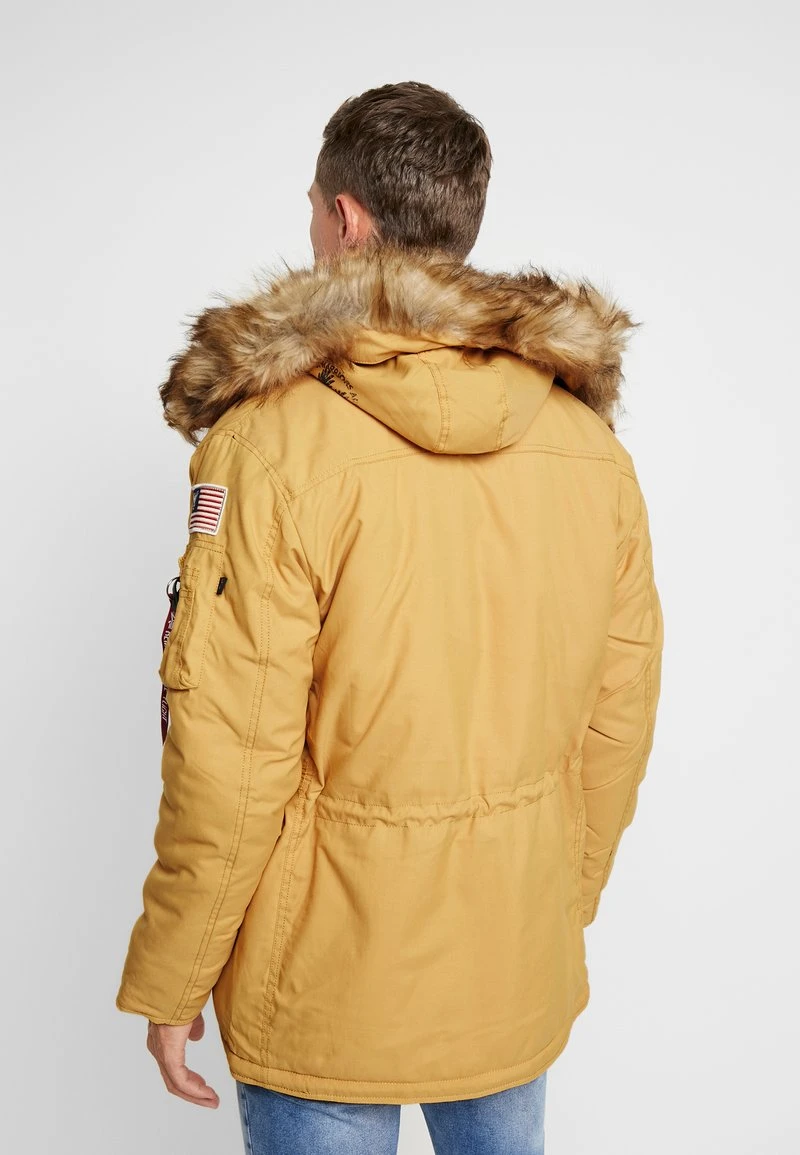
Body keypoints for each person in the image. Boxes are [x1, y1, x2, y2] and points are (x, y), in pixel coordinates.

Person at [115, 81, 664, 1155]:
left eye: (313, 211)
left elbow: (232, 756)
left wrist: (174, 975)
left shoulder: (269, 447)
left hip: (322, 989)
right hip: (508, 965)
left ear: (347, 219)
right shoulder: (585, 446)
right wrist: (548, 906)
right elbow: (617, 719)